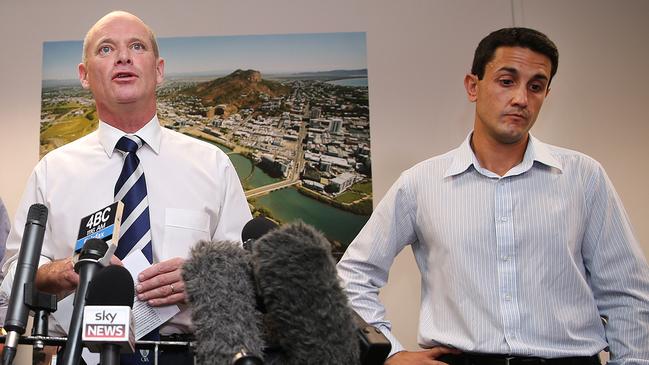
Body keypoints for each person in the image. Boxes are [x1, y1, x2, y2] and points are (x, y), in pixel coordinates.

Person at [337, 27, 649, 365]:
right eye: (506, 81)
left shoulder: (583, 177)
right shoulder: (420, 184)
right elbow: (351, 278)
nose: (521, 99)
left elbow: (627, 294)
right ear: (473, 86)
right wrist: (390, 354)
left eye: (536, 86)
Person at [1, 11, 251, 364]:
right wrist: (59, 272)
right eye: (105, 49)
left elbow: (248, 268)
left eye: (137, 46)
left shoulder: (212, 165)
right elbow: (12, 280)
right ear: (84, 76)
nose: (123, 57)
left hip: (188, 353)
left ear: (159, 70)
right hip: (79, 353)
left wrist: (203, 277)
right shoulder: (52, 172)